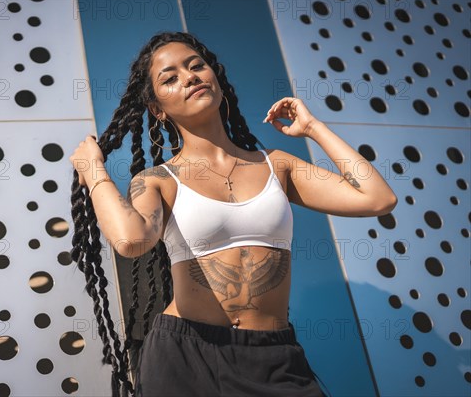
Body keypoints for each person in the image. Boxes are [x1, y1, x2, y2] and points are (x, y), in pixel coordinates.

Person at [69, 31, 397, 397]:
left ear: (217, 81)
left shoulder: (278, 165)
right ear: (157, 109)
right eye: (170, 78)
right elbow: (131, 239)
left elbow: (377, 198)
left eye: (197, 66)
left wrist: (313, 129)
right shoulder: (159, 180)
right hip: (185, 356)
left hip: (273, 356)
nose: (190, 77)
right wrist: (93, 170)